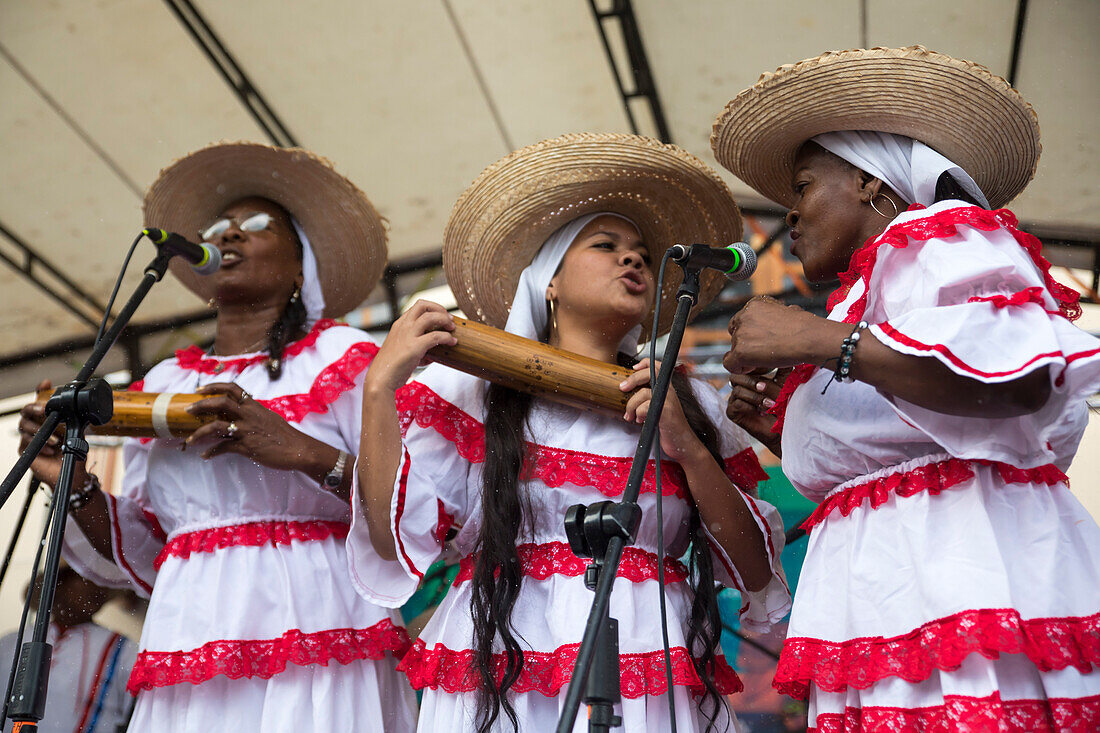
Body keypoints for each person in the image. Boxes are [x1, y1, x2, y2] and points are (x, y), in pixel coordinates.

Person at [348, 133, 791, 731]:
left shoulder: (688, 402)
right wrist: (380, 389)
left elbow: (755, 572)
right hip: (504, 660)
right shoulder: (475, 394)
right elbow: (387, 537)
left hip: (647, 659)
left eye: (640, 252)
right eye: (605, 246)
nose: (632, 259)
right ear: (548, 282)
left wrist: (685, 447)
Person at [712, 46, 1100, 730]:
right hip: (897, 581)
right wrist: (788, 425)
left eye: (802, 187)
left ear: (871, 182)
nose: (790, 216)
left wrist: (811, 340)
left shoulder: (937, 236)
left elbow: (1018, 382)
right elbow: (909, 430)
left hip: (957, 571)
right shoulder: (871, 295)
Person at [19, 142, 417, 731]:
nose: (229, 237)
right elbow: (152, 548)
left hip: (318, 617)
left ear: (301, 263)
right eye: (219, 228)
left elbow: (419, 509)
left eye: (256, 226)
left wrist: (300, 451)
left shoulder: (349, 360)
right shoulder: (164, 384)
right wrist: (73, 486)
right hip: (193, 622)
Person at [0, 566, 137, 733]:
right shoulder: (12, 642)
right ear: (57, 585)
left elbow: (136, 713)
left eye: (103, 583)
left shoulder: (124, 648)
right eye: (87, 578)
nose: (98, 589)